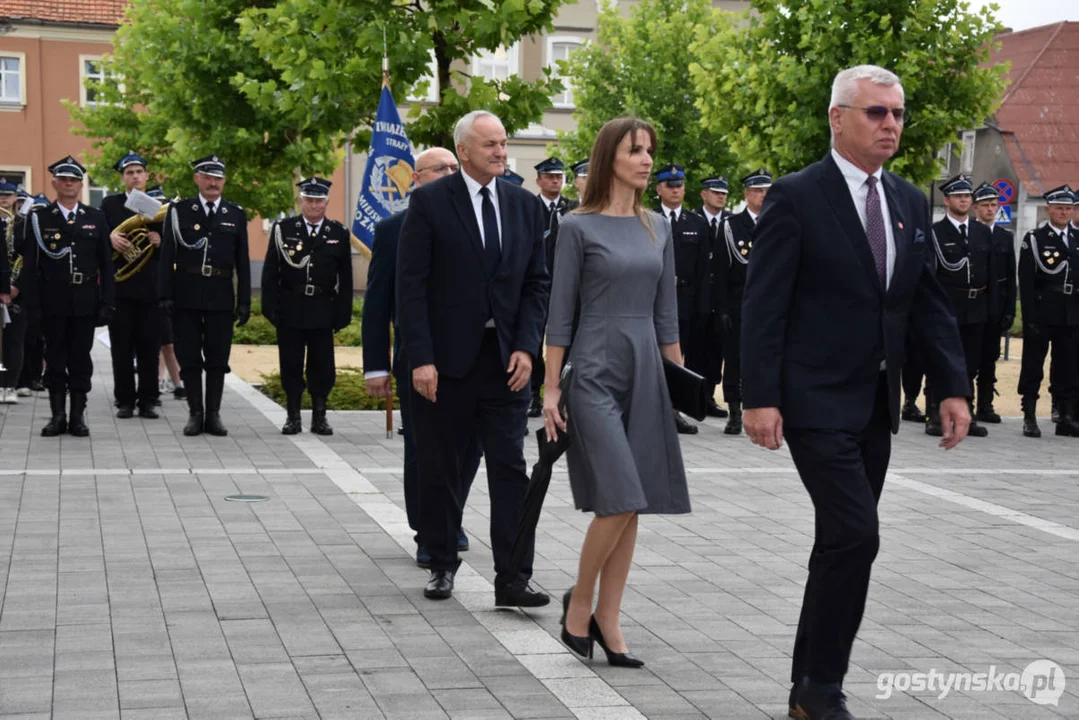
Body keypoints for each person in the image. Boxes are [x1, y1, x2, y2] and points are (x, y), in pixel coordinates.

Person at [740, 65, 970, 720]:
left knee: (838, 542)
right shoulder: (795, 196)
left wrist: (952, 386)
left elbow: (924, 301)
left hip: (874, 402)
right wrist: (758, 396)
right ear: (837, 117)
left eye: (896, 114)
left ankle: (804, 688)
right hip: (810, 397)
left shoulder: (903, 199)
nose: (890, 125)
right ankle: (824, 687)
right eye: (875, 113)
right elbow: (764, 305)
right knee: (855, 533)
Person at [544, 116, 690, 668]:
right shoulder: (577, 227)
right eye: (636, 150)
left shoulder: (660, 226)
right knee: (621, 496)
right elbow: (560, 315)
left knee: (634, 505)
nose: (647, 160)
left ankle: (610, 616)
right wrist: (551, 388)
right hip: (595, 371)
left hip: (647, 372)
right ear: (611, 158)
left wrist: (680, 382)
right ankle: (579, 606)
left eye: (650, 150)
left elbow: (666, 312)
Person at [396, 110, 550, 606]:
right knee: (441, 466)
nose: (501, 152)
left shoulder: (525, 206)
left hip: (505, 364)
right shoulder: (430, 203)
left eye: (504, 144)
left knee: (511, 469)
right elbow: (411, 286)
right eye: (490, 145)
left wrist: (527, 345)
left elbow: (535, 284)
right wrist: (419, 357)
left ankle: (513, 577)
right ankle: (441, 561)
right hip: (444, 365)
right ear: (464, 151)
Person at [363, 147, 480, 567]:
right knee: (423, 449)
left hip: (470, 359)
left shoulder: (474, 221)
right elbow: (377, 303)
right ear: (416, 177)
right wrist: (375, 365)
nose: (451, 174)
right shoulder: (395, 228)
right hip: (418, 359)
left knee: (470, 446)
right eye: (441, 169)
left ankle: (450, 516)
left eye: (454, 167)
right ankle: (428, 530)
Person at [158, 154, 251, 437]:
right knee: (189, 358)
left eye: (218, 178)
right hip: (186, 294)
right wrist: (165, 294)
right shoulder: (178, 212)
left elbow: (243, 262)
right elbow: (166, 257)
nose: (213, 183)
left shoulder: (235, 214)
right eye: (207, 177)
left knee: (217, 358)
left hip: (220, 295)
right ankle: (195, 413)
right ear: (197, 179)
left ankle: (214, 414)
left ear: (224, 181)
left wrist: (244, 299)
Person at [30, 156, 116, 437]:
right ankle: (57, 416)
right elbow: (31, 264)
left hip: (85, 299)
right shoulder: (39, 218)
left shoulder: (96, 218)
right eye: (64, 179)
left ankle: (78, 416)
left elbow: (106, 264)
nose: (69, 183)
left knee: (80, 359)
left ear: (81, 184)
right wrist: (33, 303)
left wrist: (107, 301)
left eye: (74, 179)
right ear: (54, 182)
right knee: (54, 358)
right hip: (51, 299)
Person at [262, 177, 353, 435]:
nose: (314, 206)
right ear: (301, 202)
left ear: (326, 202)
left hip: (323, 308)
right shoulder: (284, 229)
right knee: (290, 364)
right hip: (291, 307)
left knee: (322, 365)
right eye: (309, 200)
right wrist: (270, 307)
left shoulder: (338, 233)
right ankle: (293, 416)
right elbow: (270, 272)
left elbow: (345, 277)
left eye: (318, 201)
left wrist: (342, 312)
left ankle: (319, 417)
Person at [923, 175, 991, 438]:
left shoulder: (982, 231)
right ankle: (934, 414)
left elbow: (991, 273)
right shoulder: (935, 233)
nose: (964, 199)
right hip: (947, 306)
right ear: (948, 199)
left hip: (976, 307)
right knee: (940, 360)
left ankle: (968, 414)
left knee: (971, 364)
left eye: (967, 195)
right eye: (958, 196)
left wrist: (994, 309)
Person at [102, 152, 163, 419]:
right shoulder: (110, 204)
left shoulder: (158, 207)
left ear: (147, 176)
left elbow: (173, 246)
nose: (135, 176)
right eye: (129, 173)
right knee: (122, 347)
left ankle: (148, 399)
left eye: (139, 172)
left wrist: (160, 240)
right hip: (121, 288)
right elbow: (97, 240)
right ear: (122, 178)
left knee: (150, 347)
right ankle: (124, 400)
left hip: (150, 289)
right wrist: (110, 239)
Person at [1016, 185, 1079, 438]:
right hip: (1043, 311)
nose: (1064, 212)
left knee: (1069, 367)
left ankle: (1065, 416)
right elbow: (1027, 281)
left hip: (1071, 312)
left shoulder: (1076, 239)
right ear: (1049, 209)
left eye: (1068, 208)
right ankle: (1029, 415)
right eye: (1059, 208)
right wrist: (1029, 317)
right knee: (1033, 365)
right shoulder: (1035, 238)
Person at [654, 163, 709, 434]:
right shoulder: (646, 218)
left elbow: (704, 270)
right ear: (658, 189)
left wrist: (703, 308)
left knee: (679, 357)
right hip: (652, 299)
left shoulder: (696, 223)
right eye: (670, 186)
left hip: (685, 298)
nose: (676, 191)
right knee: (652, 356)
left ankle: (674, 412)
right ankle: (650, 409)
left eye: (680, 186)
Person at [717, 168, 772, 435]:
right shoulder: (731, 226)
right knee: (735, 359)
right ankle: (734, 410)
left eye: (767, 191)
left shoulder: (777, 221)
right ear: (747, 194)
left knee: (767, 358)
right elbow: (721, 271)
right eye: (758, 191)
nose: (763, 196)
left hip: (770, 304)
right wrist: (723, 308)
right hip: (740, 302)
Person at [529, 157, 579, 418]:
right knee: (533, 341)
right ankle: (533, 395)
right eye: (549, 177)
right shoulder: (529, 207)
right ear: (538, 180)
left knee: (565, 342)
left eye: (559, 176)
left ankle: (562, 393)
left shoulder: (574, 208)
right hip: (537, 286)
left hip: (565, 286)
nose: (555, 181)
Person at [971, 182, 1016, 423]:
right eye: (986, 205)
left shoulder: (1004, 237)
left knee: (989, 359)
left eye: (994, 205)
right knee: (969, 359)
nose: (990, 209)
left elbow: (1010, 276)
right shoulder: (969, 232)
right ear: (975, 207)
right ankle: (965, 404)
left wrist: (1009, 310)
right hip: (973, 306)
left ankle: (985, 405)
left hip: (995, 307)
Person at [698, 175, 731, 418]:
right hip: (696, 295)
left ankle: (709, 396)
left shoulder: (731, 222)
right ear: (704, 194)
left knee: (716, 349)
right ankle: (693, 397)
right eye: (715, 191)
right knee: (694, 347)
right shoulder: (694, 220)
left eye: (724, 193)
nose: (721, 196)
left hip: (722, 296)